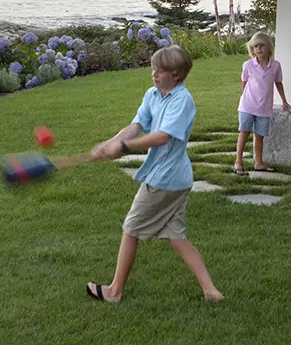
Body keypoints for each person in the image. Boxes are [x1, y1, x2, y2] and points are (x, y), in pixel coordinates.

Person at [86, 44, 222, 304]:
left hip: (166, 179)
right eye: (154, 69)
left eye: (161, 70)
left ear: (177, 74)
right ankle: (211, 291)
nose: (155, 74)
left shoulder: (182, 100)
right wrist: (108, 144)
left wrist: (124, 148)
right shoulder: (153, 94)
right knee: (176, 235)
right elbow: (137, 125)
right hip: (175, 179)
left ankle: (115, 291)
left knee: (131, 229)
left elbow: (162, 137)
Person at [233, 31, 291, 175]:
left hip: (264, 108)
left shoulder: (275, 66)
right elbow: (244, 83)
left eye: (262, 46)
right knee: (244, 132)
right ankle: (238, 162)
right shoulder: (248, 65)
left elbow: (278, 83)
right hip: (247, 106)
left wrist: (284, 101)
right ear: (252, 49)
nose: (259, 49)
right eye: (255, 46)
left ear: (269, 48)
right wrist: (246, 98)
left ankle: (258, 163)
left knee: (260, 136)